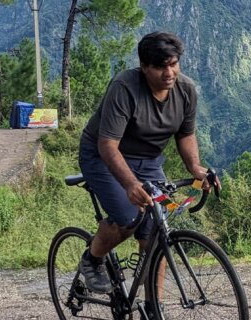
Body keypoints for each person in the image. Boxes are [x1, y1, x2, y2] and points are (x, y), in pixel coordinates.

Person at [77, 31, 218, 293]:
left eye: (173, 64)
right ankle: (92, 261)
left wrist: (196, 168)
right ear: (144, 67)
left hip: (149, 160)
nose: (169, 73)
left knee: (155, 231)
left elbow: (185, 134)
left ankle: (155, 307)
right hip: (102, 156)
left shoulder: (186, 91)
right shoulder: (125, 88)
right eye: (160, 67)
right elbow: (107, 145)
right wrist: (130, 184)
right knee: (129, 217)